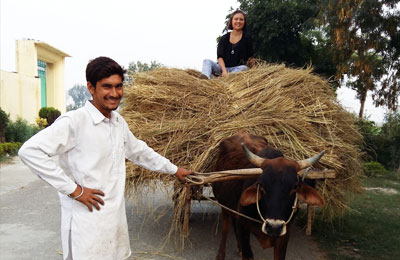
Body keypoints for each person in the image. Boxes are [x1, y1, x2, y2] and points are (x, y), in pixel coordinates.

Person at [18, 56, 193, 260]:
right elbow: (30, 151)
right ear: (91, 88)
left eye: (119, 87)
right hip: (86, 226)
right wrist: (74, 190)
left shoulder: (118, 123)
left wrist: (174, 170)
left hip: (114, 223)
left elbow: (140, 152)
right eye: (107, 87)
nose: (114, 93)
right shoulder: (75, 121)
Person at [201, 10, 254, 79]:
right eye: (236, 19)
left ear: (244, 22)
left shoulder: (247, 38)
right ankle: (205, 79)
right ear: (232, 21)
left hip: (237, 70)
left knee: (244, 68)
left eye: (241, 19)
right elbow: (220, 57)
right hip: (222, 68)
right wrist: (224, 71)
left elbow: (251, 58)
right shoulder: (224, 38)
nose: (238, 21)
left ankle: (228, 78)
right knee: (207, 61)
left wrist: (254, 73)